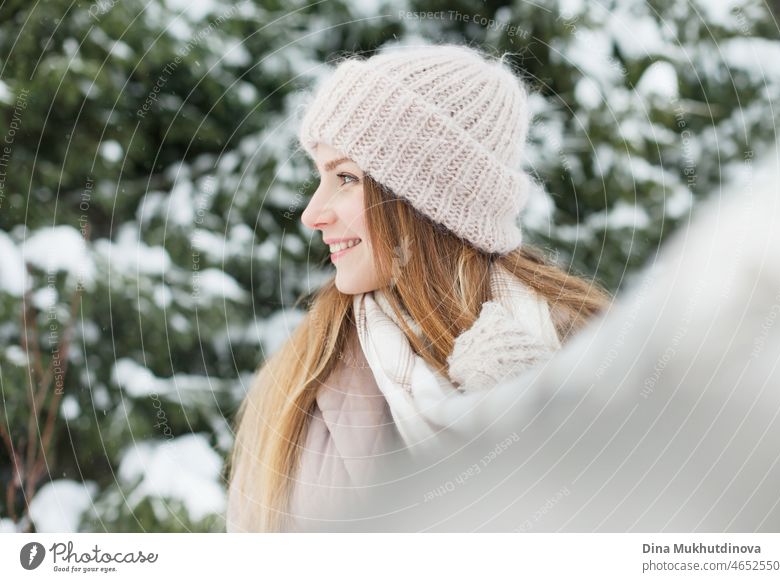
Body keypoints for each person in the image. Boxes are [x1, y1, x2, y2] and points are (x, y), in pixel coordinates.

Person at [226, 42, 612, 532]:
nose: (312, 214)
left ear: (427, 202)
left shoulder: (585, 347)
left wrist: (534, 425)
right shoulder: (302, 381)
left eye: (346, 177)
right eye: (321, 177)